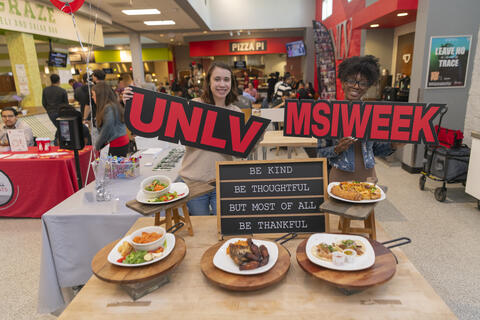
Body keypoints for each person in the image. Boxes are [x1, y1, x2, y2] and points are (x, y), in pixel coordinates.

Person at [123, 62, 241, 215]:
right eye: (217, 79)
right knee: (198, 228)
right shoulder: (194, 106)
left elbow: (239, 152)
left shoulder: (235, 112)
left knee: (221, 229)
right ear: (209, 82)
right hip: (194, 181)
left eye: (226, 79)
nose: (222, 84)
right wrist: (133, 103)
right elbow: (162, 117)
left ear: (232, 83)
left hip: (222, 182)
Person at [317, 55, 404, 182]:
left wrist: (393, 145)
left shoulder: (372, 113)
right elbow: (320, 152)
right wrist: (337, 149)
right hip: (339, 177)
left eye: (363, 83)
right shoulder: (330, 113)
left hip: (368, 177)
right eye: (351, 81)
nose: (356, 86)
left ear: (368, 87)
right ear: (342, 83)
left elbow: (375, 150)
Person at [92, 82, 129, 156]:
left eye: (93, 95)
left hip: (116, 144)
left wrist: (97, 145)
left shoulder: (108, 108)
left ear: (100, 96)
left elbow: (107, 128)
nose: (92, 97)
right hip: (121, 142)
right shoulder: (114, 105)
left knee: (113, 167)